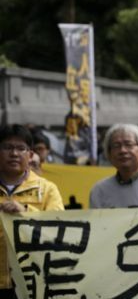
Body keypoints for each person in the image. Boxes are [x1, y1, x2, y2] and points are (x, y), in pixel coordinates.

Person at [0, 125, 64, 298]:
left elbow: (58, 231)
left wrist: (26, 212)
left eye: (21, 148)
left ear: (30, 155)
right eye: (7, 147)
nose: (14, 154)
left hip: (32, 281)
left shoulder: (47, 189)